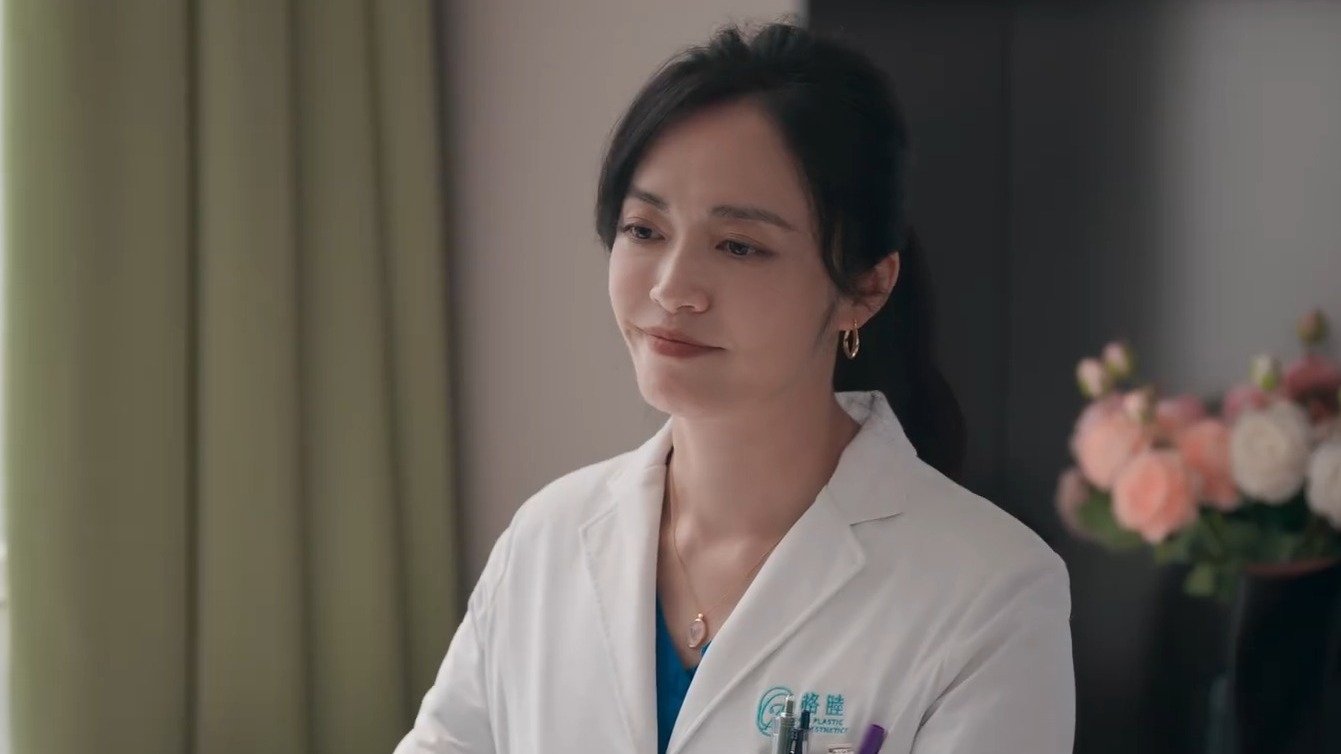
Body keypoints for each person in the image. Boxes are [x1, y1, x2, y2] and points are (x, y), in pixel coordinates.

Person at [395, 20, 1074, 754]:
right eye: (643, 230)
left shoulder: (991, 591)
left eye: (738, 246)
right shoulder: (546, 538)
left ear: (865, 288)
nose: (671, 287)